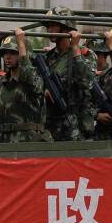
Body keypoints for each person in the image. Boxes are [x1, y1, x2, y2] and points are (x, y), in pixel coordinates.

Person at [37, 7, 93, 141]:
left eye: (53, 25)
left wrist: (75, 49)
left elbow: (86, 82)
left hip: (75, 126)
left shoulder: (86, 54)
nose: (49, 30)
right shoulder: (48, 57)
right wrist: (43, 90)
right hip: (51, 125)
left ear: (66, 27)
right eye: (48, 26)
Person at [0, 30, 51, 143]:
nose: (7, 57)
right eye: (5, 53)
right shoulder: (2, 82)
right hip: (4, 141)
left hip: (28, 142)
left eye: (13, 53)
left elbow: (28, 74)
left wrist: (21, 44)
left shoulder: (35, 79)